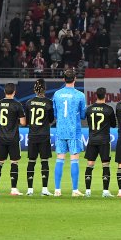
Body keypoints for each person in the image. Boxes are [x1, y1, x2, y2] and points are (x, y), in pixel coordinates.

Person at [52, 68, 86, 197]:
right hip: (73, 131)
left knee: (60, 158)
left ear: (63, 79)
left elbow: (55, 114)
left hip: (60, 130)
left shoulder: (57, 94)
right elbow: (83, 115)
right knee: (74, 159)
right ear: (75, 79)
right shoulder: (80, 95)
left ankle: (57, 189)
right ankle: (75, 190)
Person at [0, 82, 25, 196]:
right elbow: (23, 122)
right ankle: (13, 189)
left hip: (1, 138)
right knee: (14, 162)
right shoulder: (17, 105)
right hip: (13, 138)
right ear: (14, 92)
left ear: (4, 92)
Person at [83, 87, 116, 198]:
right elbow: (113, 124)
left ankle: (87, 191)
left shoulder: (89, 109)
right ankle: (105, 191)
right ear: (105, 95)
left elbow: (88, 123)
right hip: (104, 141)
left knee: (90, 164)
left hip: (92, 139)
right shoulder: (109, 109)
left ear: (95, 95)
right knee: (105, 165)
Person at [24, 79, 54, 196]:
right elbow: (51, 120)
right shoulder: (48, 102)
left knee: (31, 162)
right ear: (45, 89)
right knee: (44, 161)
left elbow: (26, 120)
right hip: (44, 136)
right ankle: (44, 189)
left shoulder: (29, 102)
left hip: (32, 135)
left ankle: (30, 190)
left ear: (34, 89)